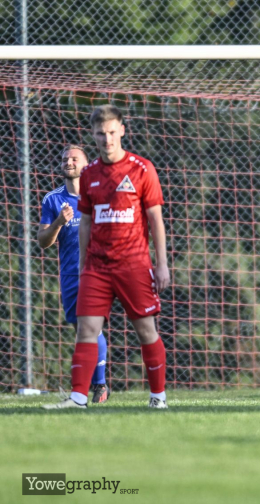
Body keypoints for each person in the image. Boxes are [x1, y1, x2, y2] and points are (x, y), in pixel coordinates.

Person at [44, 104, 171, 409]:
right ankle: (78, 398)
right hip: (97, 267)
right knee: (86, 329)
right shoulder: (89, 174)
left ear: (122, 131)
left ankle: (158, 397)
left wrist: (162, 264)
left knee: (146, 330)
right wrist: (84, 264)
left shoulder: (142, 169)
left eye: (112, 132)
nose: (107, 139)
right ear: (94, 135)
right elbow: (86, 222)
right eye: (101, 133)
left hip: (134, 265)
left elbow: (155, 219)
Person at [38, 145, 110, 404]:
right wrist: (59, 222)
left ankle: (98, 386)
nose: (68, 162)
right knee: (81, 328)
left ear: (86, 165)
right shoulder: (52, 200)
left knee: (90, 326)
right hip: (70, 273)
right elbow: (43, 241)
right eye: (65, 159)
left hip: (97, 271)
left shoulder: (99, 195)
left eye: (74, 159)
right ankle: (97, 385)